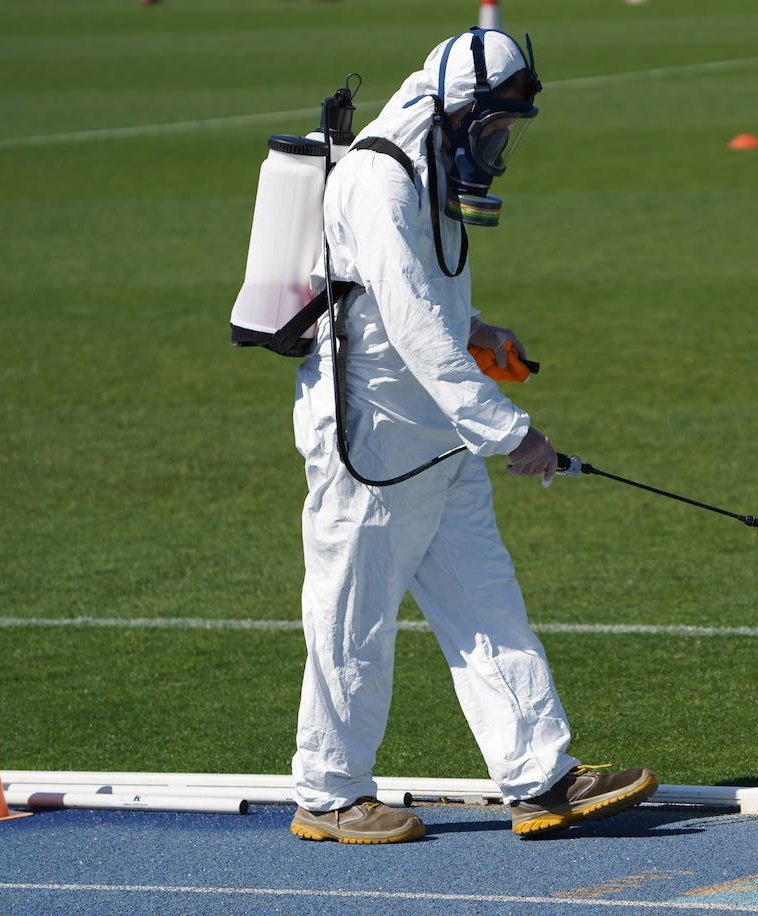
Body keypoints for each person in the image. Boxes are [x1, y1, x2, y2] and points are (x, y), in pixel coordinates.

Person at [287, 28, 656, 844]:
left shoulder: (427, 167)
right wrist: (510, 431)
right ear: (455, 111)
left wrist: (479, 330)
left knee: (488, 603)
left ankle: (540, 777)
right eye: (493, 127)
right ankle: (328, 793)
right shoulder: (378, 180)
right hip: (371, 441)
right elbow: (412, 327)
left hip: (436, 436)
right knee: (352, 616)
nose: (496, 146)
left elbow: (428, 301)